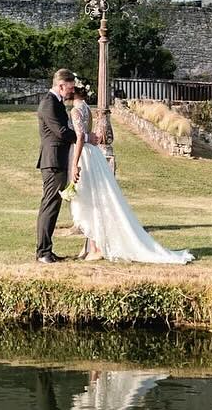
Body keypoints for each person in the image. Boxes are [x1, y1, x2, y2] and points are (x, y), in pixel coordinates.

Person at [67, 93, 194, 265]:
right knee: (97, 198)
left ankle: (96, 248)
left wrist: (75, 162)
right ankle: (90, 246)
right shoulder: (86, 108)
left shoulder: (76, 111)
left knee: (91, 200)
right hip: (93, 154)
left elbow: (81, 136)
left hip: (85, 156)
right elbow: (90, 133)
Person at [35, 68, 87, 264]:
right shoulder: (48, 103)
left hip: (58, 159)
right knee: (49, 205)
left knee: (53, 205)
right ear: (61, 85)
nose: (72, 92)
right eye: (70, 88)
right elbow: (61, 132)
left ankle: (46, 250)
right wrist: (85, 138)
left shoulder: (56, 102)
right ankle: (42, 252)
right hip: (53, 160)